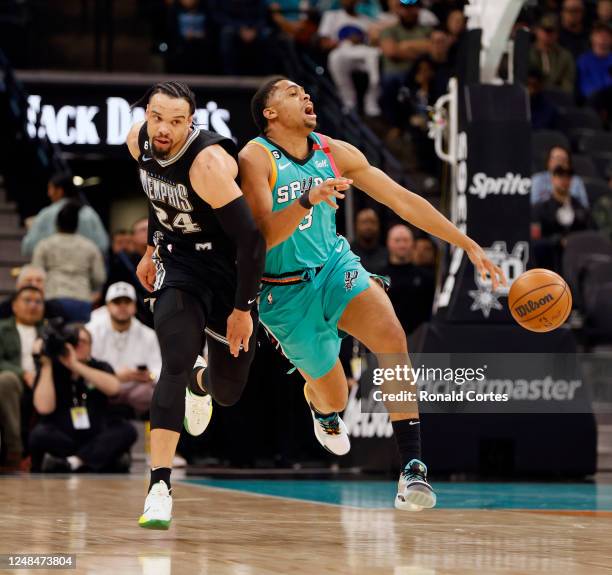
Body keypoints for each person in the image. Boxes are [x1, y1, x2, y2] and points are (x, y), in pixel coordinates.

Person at [239, 76, 505, 511]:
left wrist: (466, 243)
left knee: (390, 335)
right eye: (291, 93)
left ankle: (412, 467)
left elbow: (402, 200)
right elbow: (261, 237)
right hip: (283, 293)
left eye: (305, 91)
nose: (306, 95)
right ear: (269, 114)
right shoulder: (255, 157)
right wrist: (307, 199)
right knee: (335, 394)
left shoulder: (333, 151)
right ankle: (321, 409)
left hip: (332, 267)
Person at [125, 81, 265, 529]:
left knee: (229, 391)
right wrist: (151, 247)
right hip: (181, 267)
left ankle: (201, 385)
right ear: (147, 114)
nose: (163, 129)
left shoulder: (206, 163)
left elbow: (251, 240)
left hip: (228, 273)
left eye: (176, 121)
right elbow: (156, 195)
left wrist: (242, 309)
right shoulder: (138, 141)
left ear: (192, 122)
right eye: (157, 117)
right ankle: (159, 487)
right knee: (174, 361)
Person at [29, 324, 137, 473]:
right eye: (74, 341)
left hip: (96, 432)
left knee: (127, 430)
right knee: (39, 434)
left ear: (91, 346)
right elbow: (44, 407)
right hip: (64, 435)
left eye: (83, 341)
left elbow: (114, 388)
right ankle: (95, 460)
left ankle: (73, 462)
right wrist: (46, 365)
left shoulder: (100, 366)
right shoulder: (52, 368)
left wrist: (75, 365)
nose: (78, 345)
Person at [86, 282, 162, 417]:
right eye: (116, 302)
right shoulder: (92, 331)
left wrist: (149, 376)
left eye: (127, 302)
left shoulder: (148, 335)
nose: (122, 306)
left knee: (150, 393)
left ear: (134, 306)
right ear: (108, 306)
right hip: (103, 388)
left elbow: (159, 370)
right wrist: (115, 376)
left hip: (135, 392)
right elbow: (87, 367)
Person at [31, 200, 107, 322]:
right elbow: (99, 278)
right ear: (77, 225)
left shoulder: (44, 245)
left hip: (53, 296)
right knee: (79, 338)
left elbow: (36, 274)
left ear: (56, 224)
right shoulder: (90, 247)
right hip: (82, 298)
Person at [0, 286, 45, 471]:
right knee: (6, 380)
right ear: (14, 306)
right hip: (15, 382)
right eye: (27, 300)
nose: (33, 305)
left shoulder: (50, 330)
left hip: (44, 380)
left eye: (38, 302)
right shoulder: (2, 329)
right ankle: (14, 450)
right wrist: (23, 373)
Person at [22, 173, 109, 257]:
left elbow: (29, 247)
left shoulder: (46, 214)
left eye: (50, 188)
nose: (48, 193)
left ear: (60, 191)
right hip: (83, 269)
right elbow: (102, 246)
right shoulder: (90, 214)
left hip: (54, 269)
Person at [319, 0, 380, 116]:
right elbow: (324, 43)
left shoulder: (366, 20)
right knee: (335, 57)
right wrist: (346, 40)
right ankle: (348, 101)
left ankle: (371, 100)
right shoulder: (332, 16)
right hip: (342, 52)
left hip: (362, 54)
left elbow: (373, 42)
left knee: (375, 54)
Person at [532, 166, 593, 273]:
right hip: (549, 265)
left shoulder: (581, 209)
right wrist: (558, 241)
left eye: (568, 176)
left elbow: (591, 236)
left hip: (577, 266)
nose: (564, 180)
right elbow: (535, 241)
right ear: (552, 178)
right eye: (560, 176)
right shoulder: (540, 209)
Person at [383, 225, 435, 336]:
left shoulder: (426, 277)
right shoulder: (378, 277)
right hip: (387, 340)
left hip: (421, 341)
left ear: (413, 244)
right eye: (397, 240)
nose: (402, 245)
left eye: (405, 240)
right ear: (388, 243)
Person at [528, 13, 575, 94]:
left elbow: (568, 85)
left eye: (551, 31)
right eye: (544, 30)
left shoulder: (565, 56)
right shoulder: (526, 53)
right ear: (537, 30)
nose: (547, 35)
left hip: (556, 99)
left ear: (557, 33)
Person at [0, 265, 64, 320]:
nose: (34, 285)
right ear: (18, 285)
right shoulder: (5, 309)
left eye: (39, 281)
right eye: (29, 280)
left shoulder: (55, 309)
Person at [576, 22, 612, 100]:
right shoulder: (584, 60)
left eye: (607, 35)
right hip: (591, 103)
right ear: (592, 38)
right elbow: (585, 88)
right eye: (599, 35)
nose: (603, 39)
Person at [351, 208, 388, 274]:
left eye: (372, 222)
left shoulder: (387, 255)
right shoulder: (349, 254)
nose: (368, 226)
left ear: (378, 225)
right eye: (364, 222)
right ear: (356, 225)